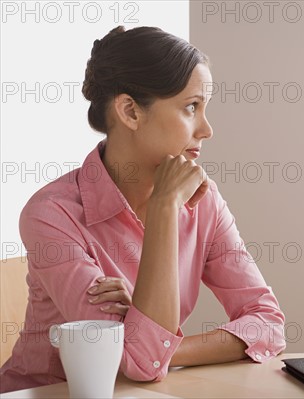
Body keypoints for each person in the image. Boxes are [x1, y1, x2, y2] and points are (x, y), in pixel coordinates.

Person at [0, 26, 286, 393]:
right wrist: (166, 208)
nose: (207, 129)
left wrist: (152, 337)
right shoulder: (51, 215)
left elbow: (268, 323)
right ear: (131, 111)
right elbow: (140, 362)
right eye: (191, 107)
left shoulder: (204, 201)